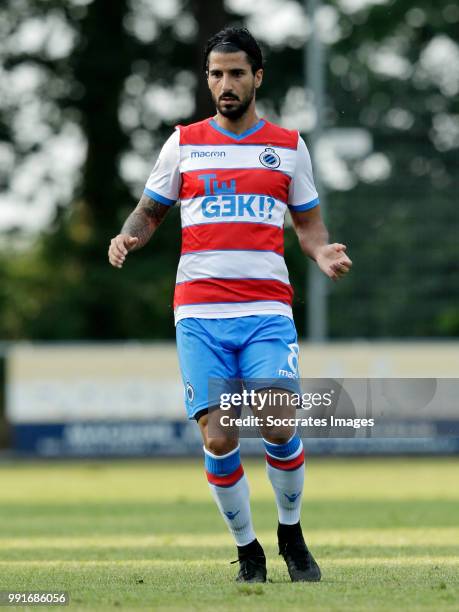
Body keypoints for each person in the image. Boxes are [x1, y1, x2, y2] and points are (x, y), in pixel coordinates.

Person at [108, 26, 352, 583]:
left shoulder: (289, 147)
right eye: (216, 74)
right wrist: (128, 236)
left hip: (266, 311)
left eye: (236, 72)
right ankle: (249, 550)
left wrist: (321, 255)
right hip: (199, 315)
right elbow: (148, 211)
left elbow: (309, 226)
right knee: (219, 437)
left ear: (257, 77)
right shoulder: (183, 143)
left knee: (278, 423)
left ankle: (290, 531)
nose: (225, 83)